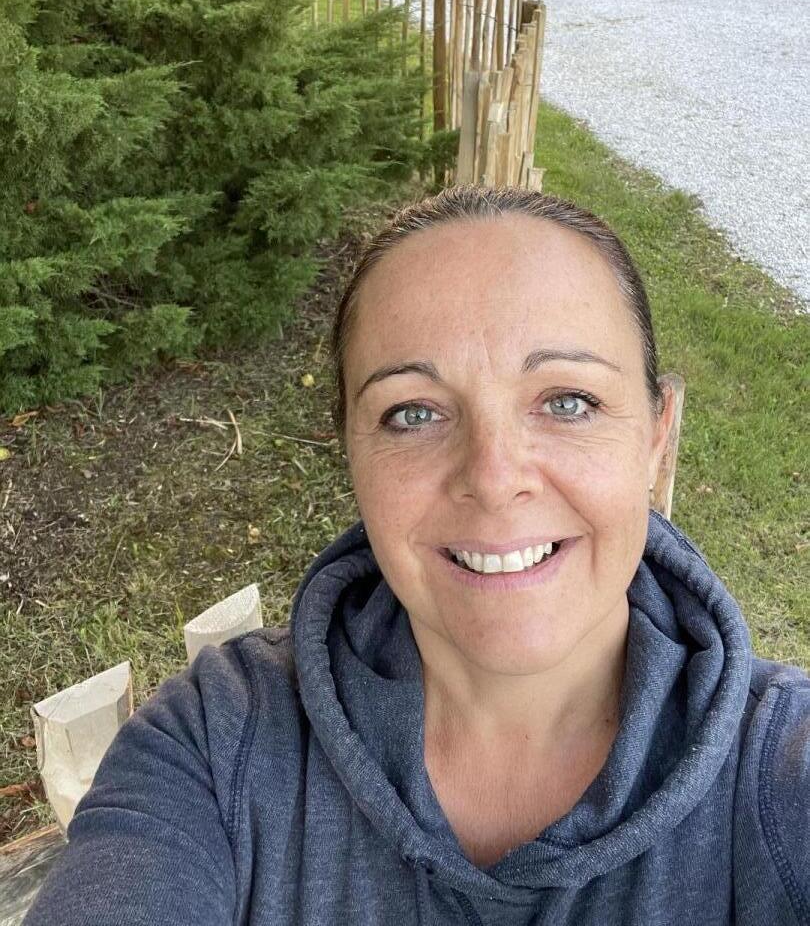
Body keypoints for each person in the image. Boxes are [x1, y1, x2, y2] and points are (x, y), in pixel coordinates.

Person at [24, 186, 809, 925]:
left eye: (568, 402)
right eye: (413, 414)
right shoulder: (214, 743)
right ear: (349, 451)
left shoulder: (783, 768)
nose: (493, 479)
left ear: (656, 436)